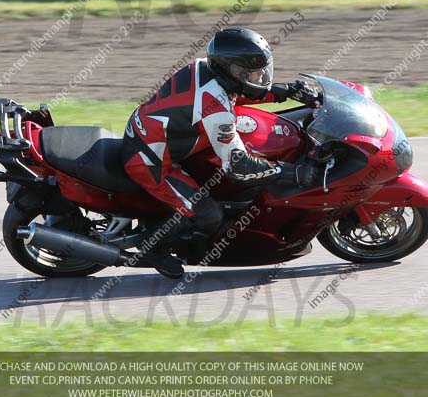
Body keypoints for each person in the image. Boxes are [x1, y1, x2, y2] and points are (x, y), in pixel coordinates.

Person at [121, 27, 321, 278]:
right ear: (232, 70)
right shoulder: (215, 108)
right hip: (150, 159)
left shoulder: (207, 67)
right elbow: (239, 166)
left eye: (261, 72)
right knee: (208, 216)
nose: (260, 77)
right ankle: (155, 249)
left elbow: (239, 91)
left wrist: (286, 91)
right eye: (253, 73)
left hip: (160, 134)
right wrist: (292, 172)